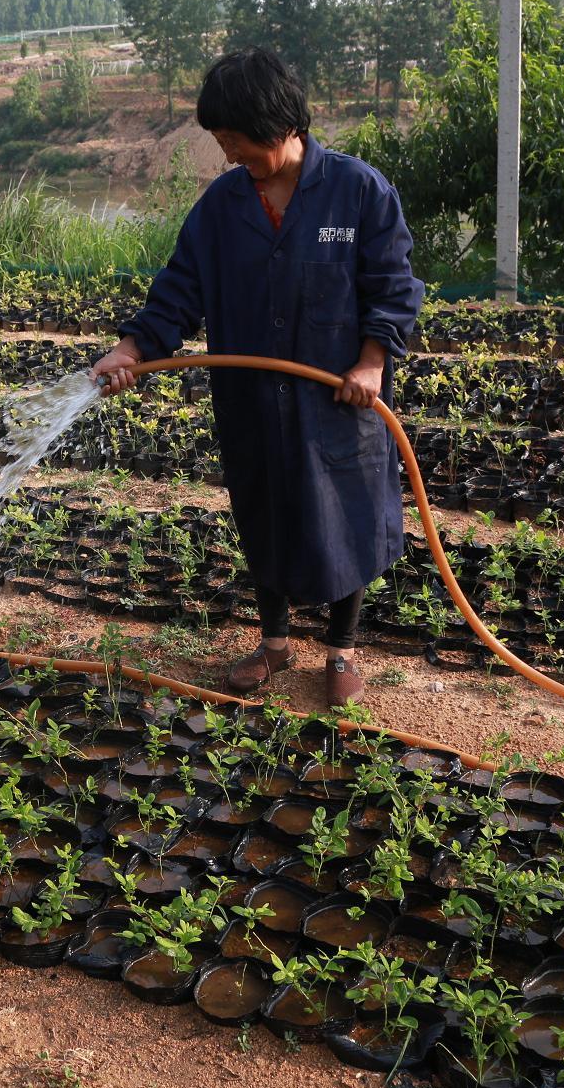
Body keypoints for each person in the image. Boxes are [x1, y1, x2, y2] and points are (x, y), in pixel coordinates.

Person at [90, 47, 424, 707]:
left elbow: (394, 287)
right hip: (250, 398)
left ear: (279, 126)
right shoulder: (222, 206)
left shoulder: (357, 191)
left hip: (336, 401)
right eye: (223, 145)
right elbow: (179, 289)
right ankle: (274, 645)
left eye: (238, 142)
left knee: (345, 515)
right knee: (264, 512)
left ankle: (341, 650)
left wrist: (371, 361)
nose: (230, 157)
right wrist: (132, 347)